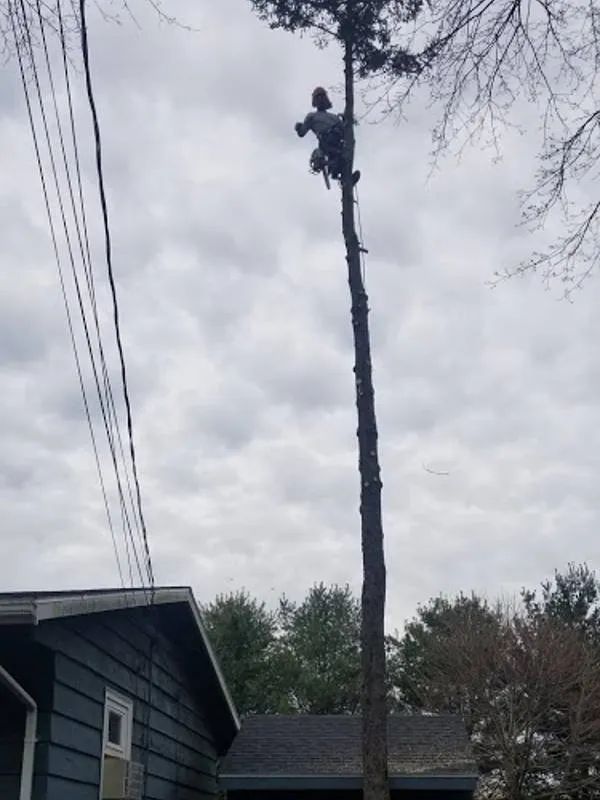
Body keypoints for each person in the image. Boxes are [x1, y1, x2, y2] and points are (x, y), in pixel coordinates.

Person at [295, 87, 360, 184]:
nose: (320, 99)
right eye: (318, 97)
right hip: (326, 140)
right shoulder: (312, 116)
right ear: (315, 101)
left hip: (338, 141)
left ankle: (345, 177)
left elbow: (346, 131)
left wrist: (346, 119)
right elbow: (302, 133)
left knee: (343, 158)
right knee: (336, 156)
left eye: (322, 97)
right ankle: (331, 166)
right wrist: (298, 128)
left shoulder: (334, 117)